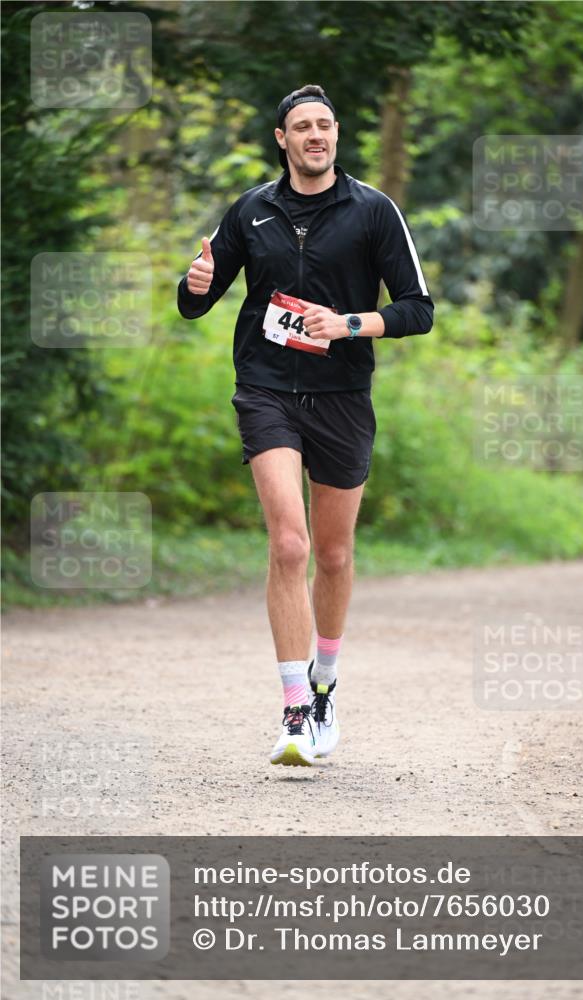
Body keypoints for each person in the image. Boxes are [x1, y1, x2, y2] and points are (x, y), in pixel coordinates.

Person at [177, 84, 434, 767]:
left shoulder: (373, 212)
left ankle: (324, 686)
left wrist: (350, 323)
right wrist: (195, 283)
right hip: (265, 390)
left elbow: (418, 309)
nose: (316, 134)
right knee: (289, 546)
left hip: (342, 394)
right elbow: (196, 302)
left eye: (325, 124)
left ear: (335, 135)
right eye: (302, 126)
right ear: (281, 139)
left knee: (334, 554)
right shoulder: (251, 211)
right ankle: (293, 713)